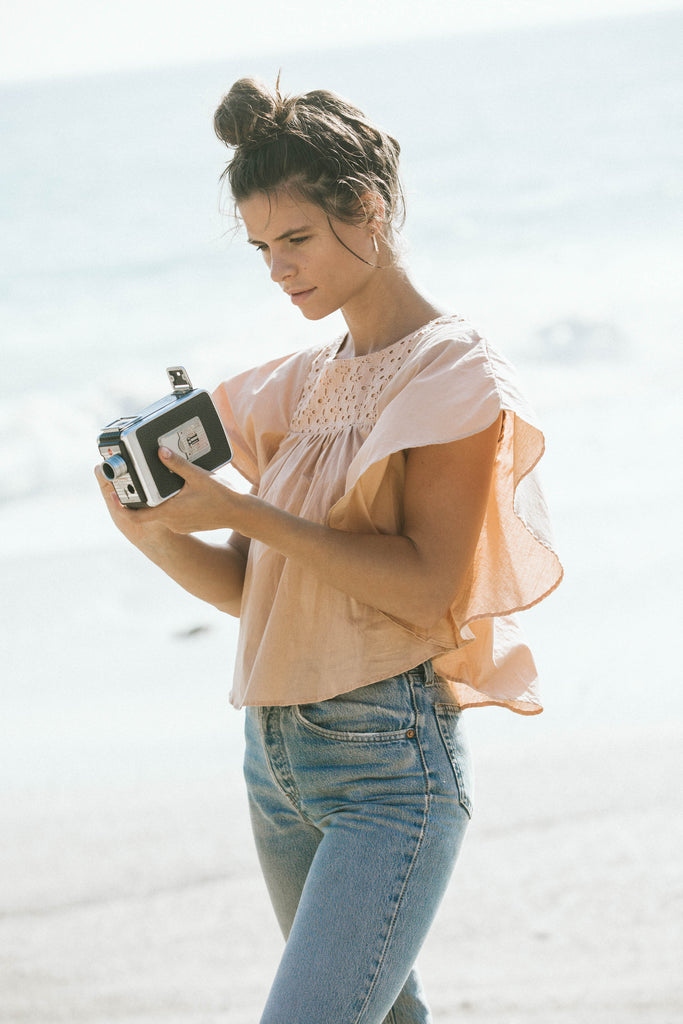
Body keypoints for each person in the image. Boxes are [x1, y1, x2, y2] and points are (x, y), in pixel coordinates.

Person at [95, 77, 562, 1024]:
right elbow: (252, 591)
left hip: (388, 766)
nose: (278, 268)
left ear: (368, 209)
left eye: (296, 239)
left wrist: (246, 508)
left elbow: (429, 588)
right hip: (273, 762)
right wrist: (146, 527)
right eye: (264, 248)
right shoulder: (297, 387)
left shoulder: (452, 373)